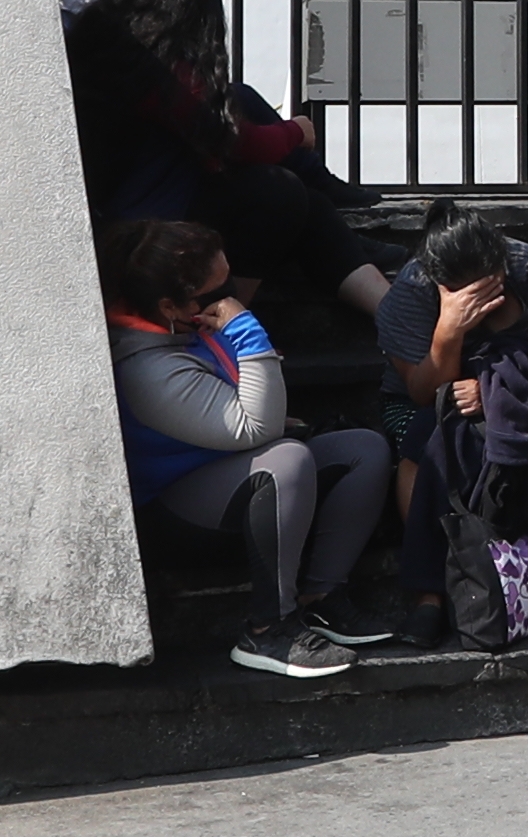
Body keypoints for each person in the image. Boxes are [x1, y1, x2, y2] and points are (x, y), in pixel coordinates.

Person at [104, 216, 400, 682]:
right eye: (214, 295)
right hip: (175, 511)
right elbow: (255, 429)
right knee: (286, 461)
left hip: (224, 473)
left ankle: (319, 599)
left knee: (363, 450)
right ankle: (269, 628)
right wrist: (246, 330)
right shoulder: (146, 368)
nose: (229, 301)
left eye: (230, 285)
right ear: (168, 305)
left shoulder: (183, 327)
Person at [65, 0, 392, 329]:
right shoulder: (159, 75)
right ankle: (225, 325)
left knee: (304, 196)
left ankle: (395, 319)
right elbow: (238, 142)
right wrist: (296, 132)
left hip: (147, 202)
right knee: (280, 192)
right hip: (141, 225)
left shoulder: (110, 48)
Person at [379, 207, 528, 639]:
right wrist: (449, 331)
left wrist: (494, 390)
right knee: (423, 443)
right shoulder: (409, 294)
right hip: (427, 401)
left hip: (517, 393)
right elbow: (420, 392)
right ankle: (432, 594)